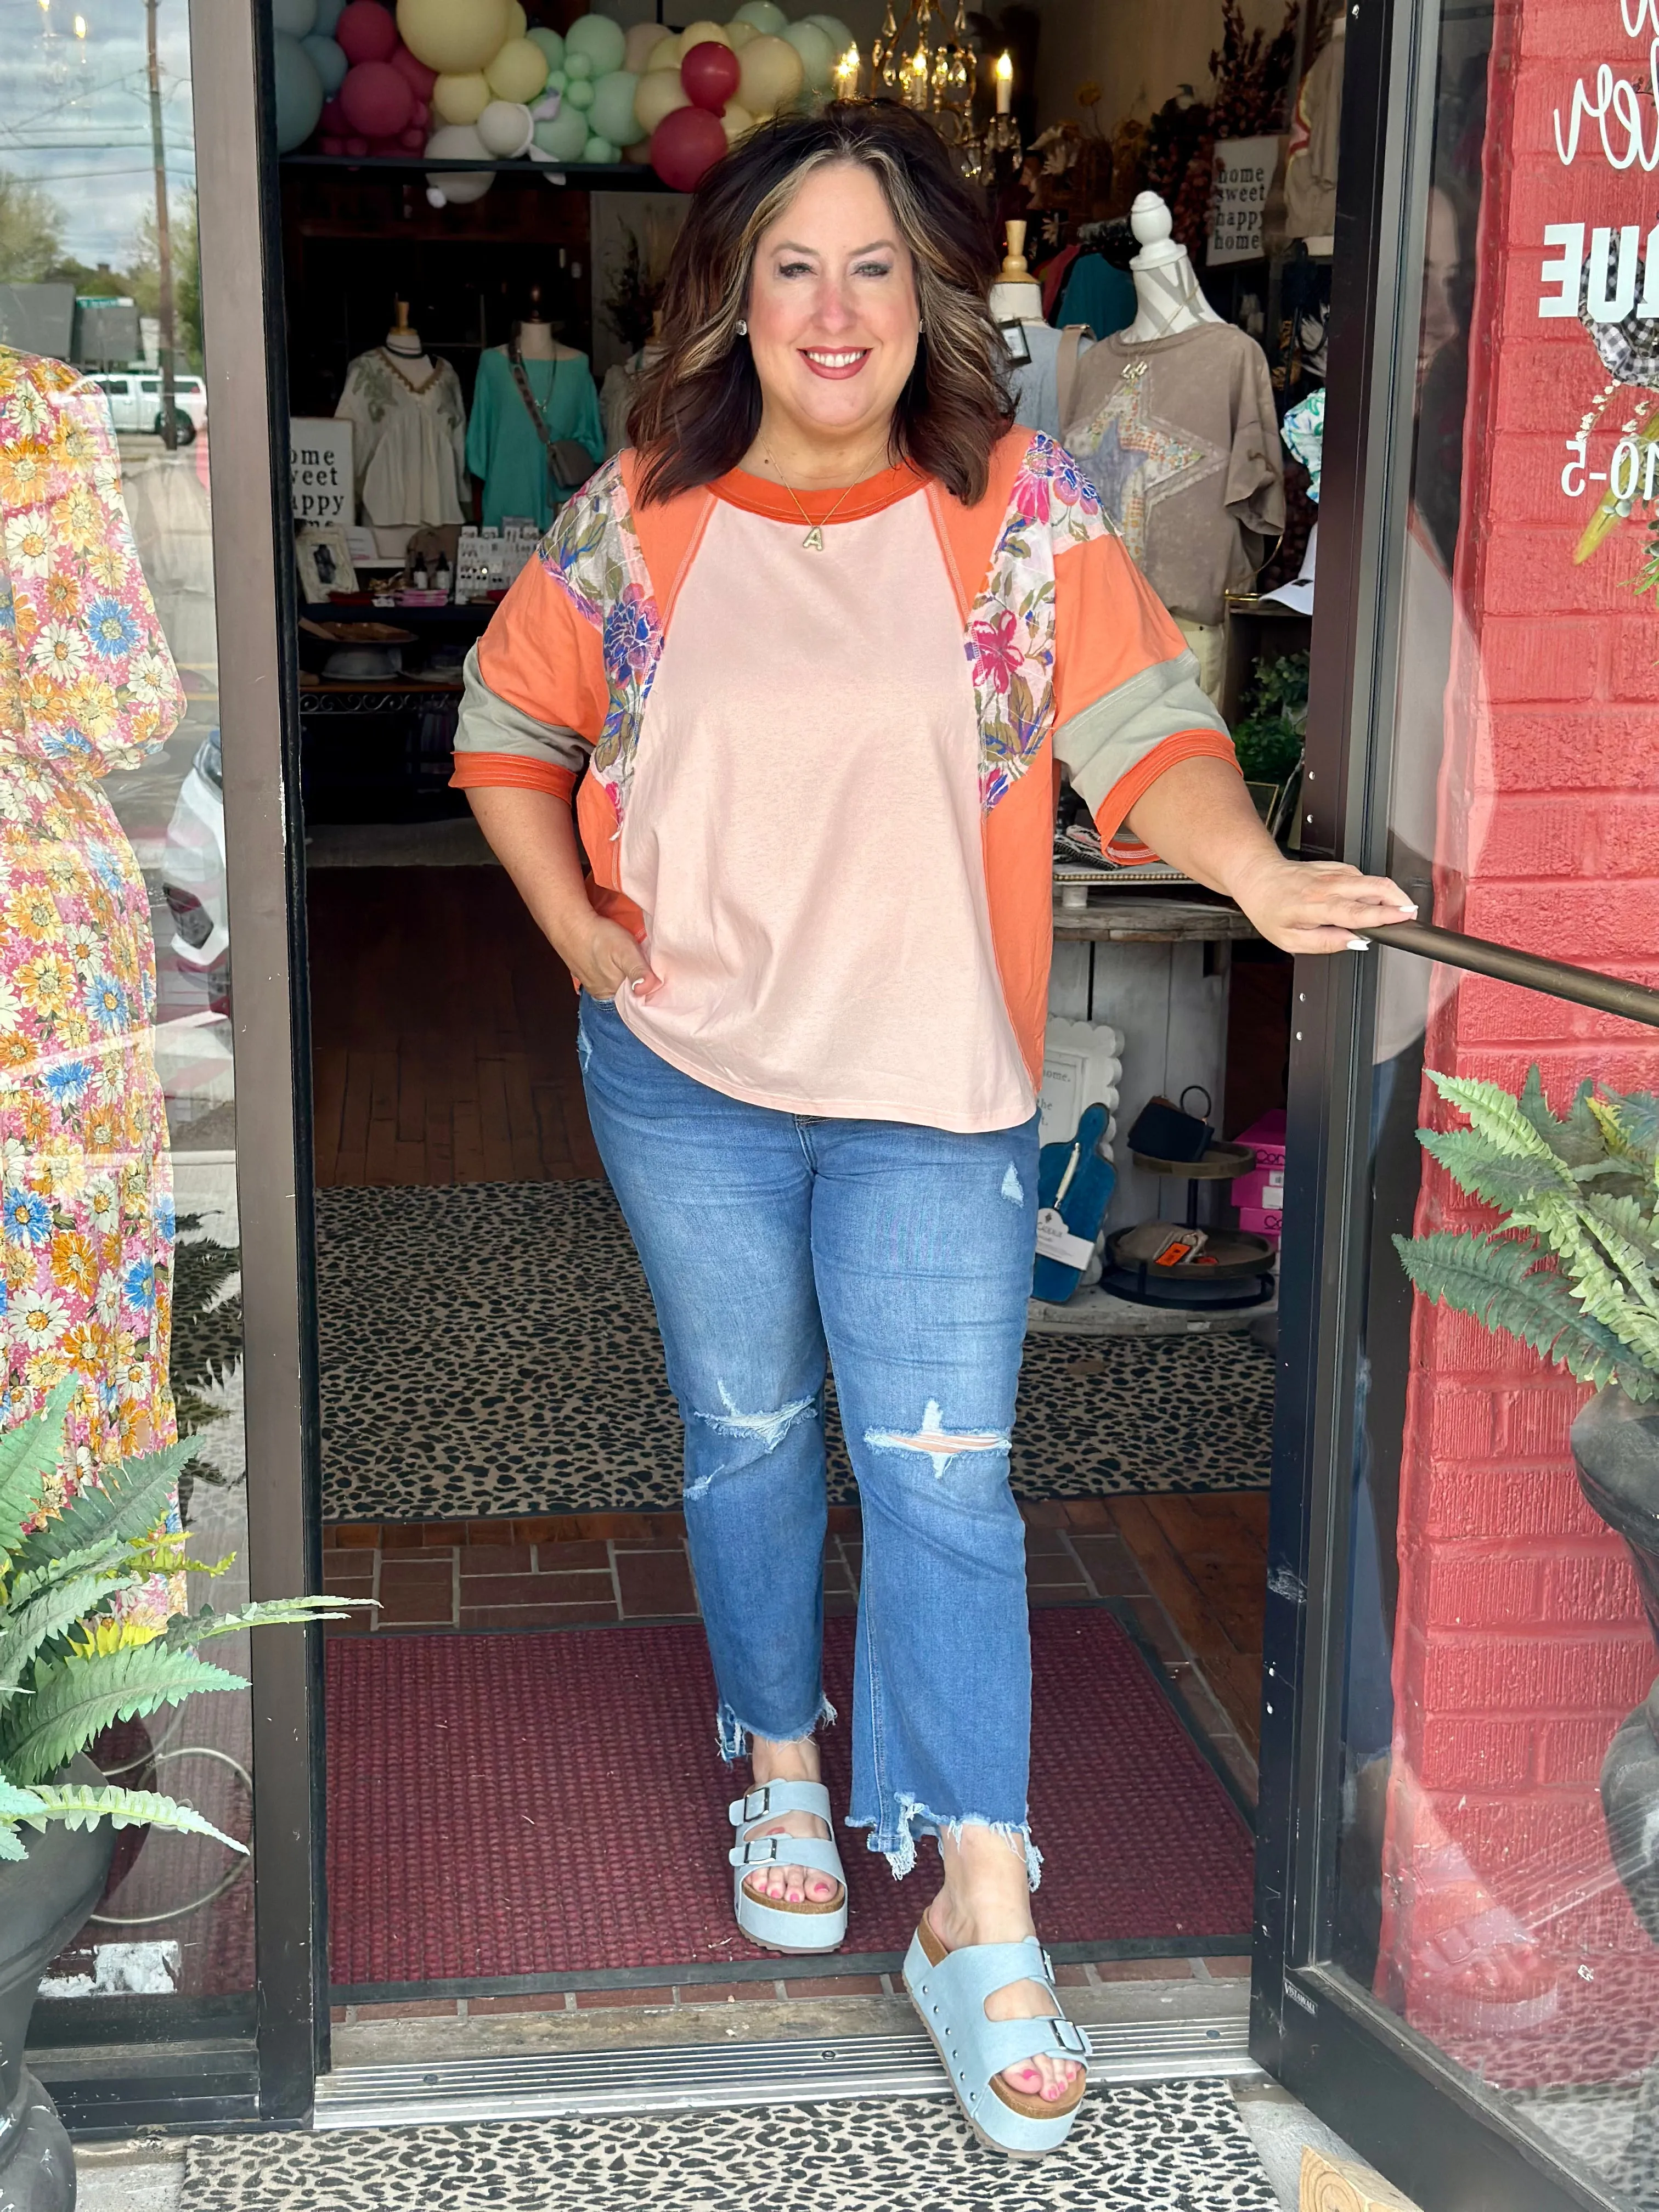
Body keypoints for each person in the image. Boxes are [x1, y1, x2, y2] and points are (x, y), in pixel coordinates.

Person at [452, 102, 1414, 2159]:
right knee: (748, 1436)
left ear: (928, 301)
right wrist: (574, 939)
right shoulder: (644, 515)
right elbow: (510, 729)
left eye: (871, 267)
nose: (831, 307)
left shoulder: (1012, 510)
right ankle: (781, 1759)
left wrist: (1249, 869)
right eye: (790, 264)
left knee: (946, 1482)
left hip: (932, 1097)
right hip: (687, 1082)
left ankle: (979, 1902)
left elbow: (1143, 727)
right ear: (729, 290)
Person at [0, 348, 187, 1628]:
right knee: (58, 1287)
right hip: (31, 920)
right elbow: (114, 706)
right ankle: (70, 1655)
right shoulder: (26, 409)